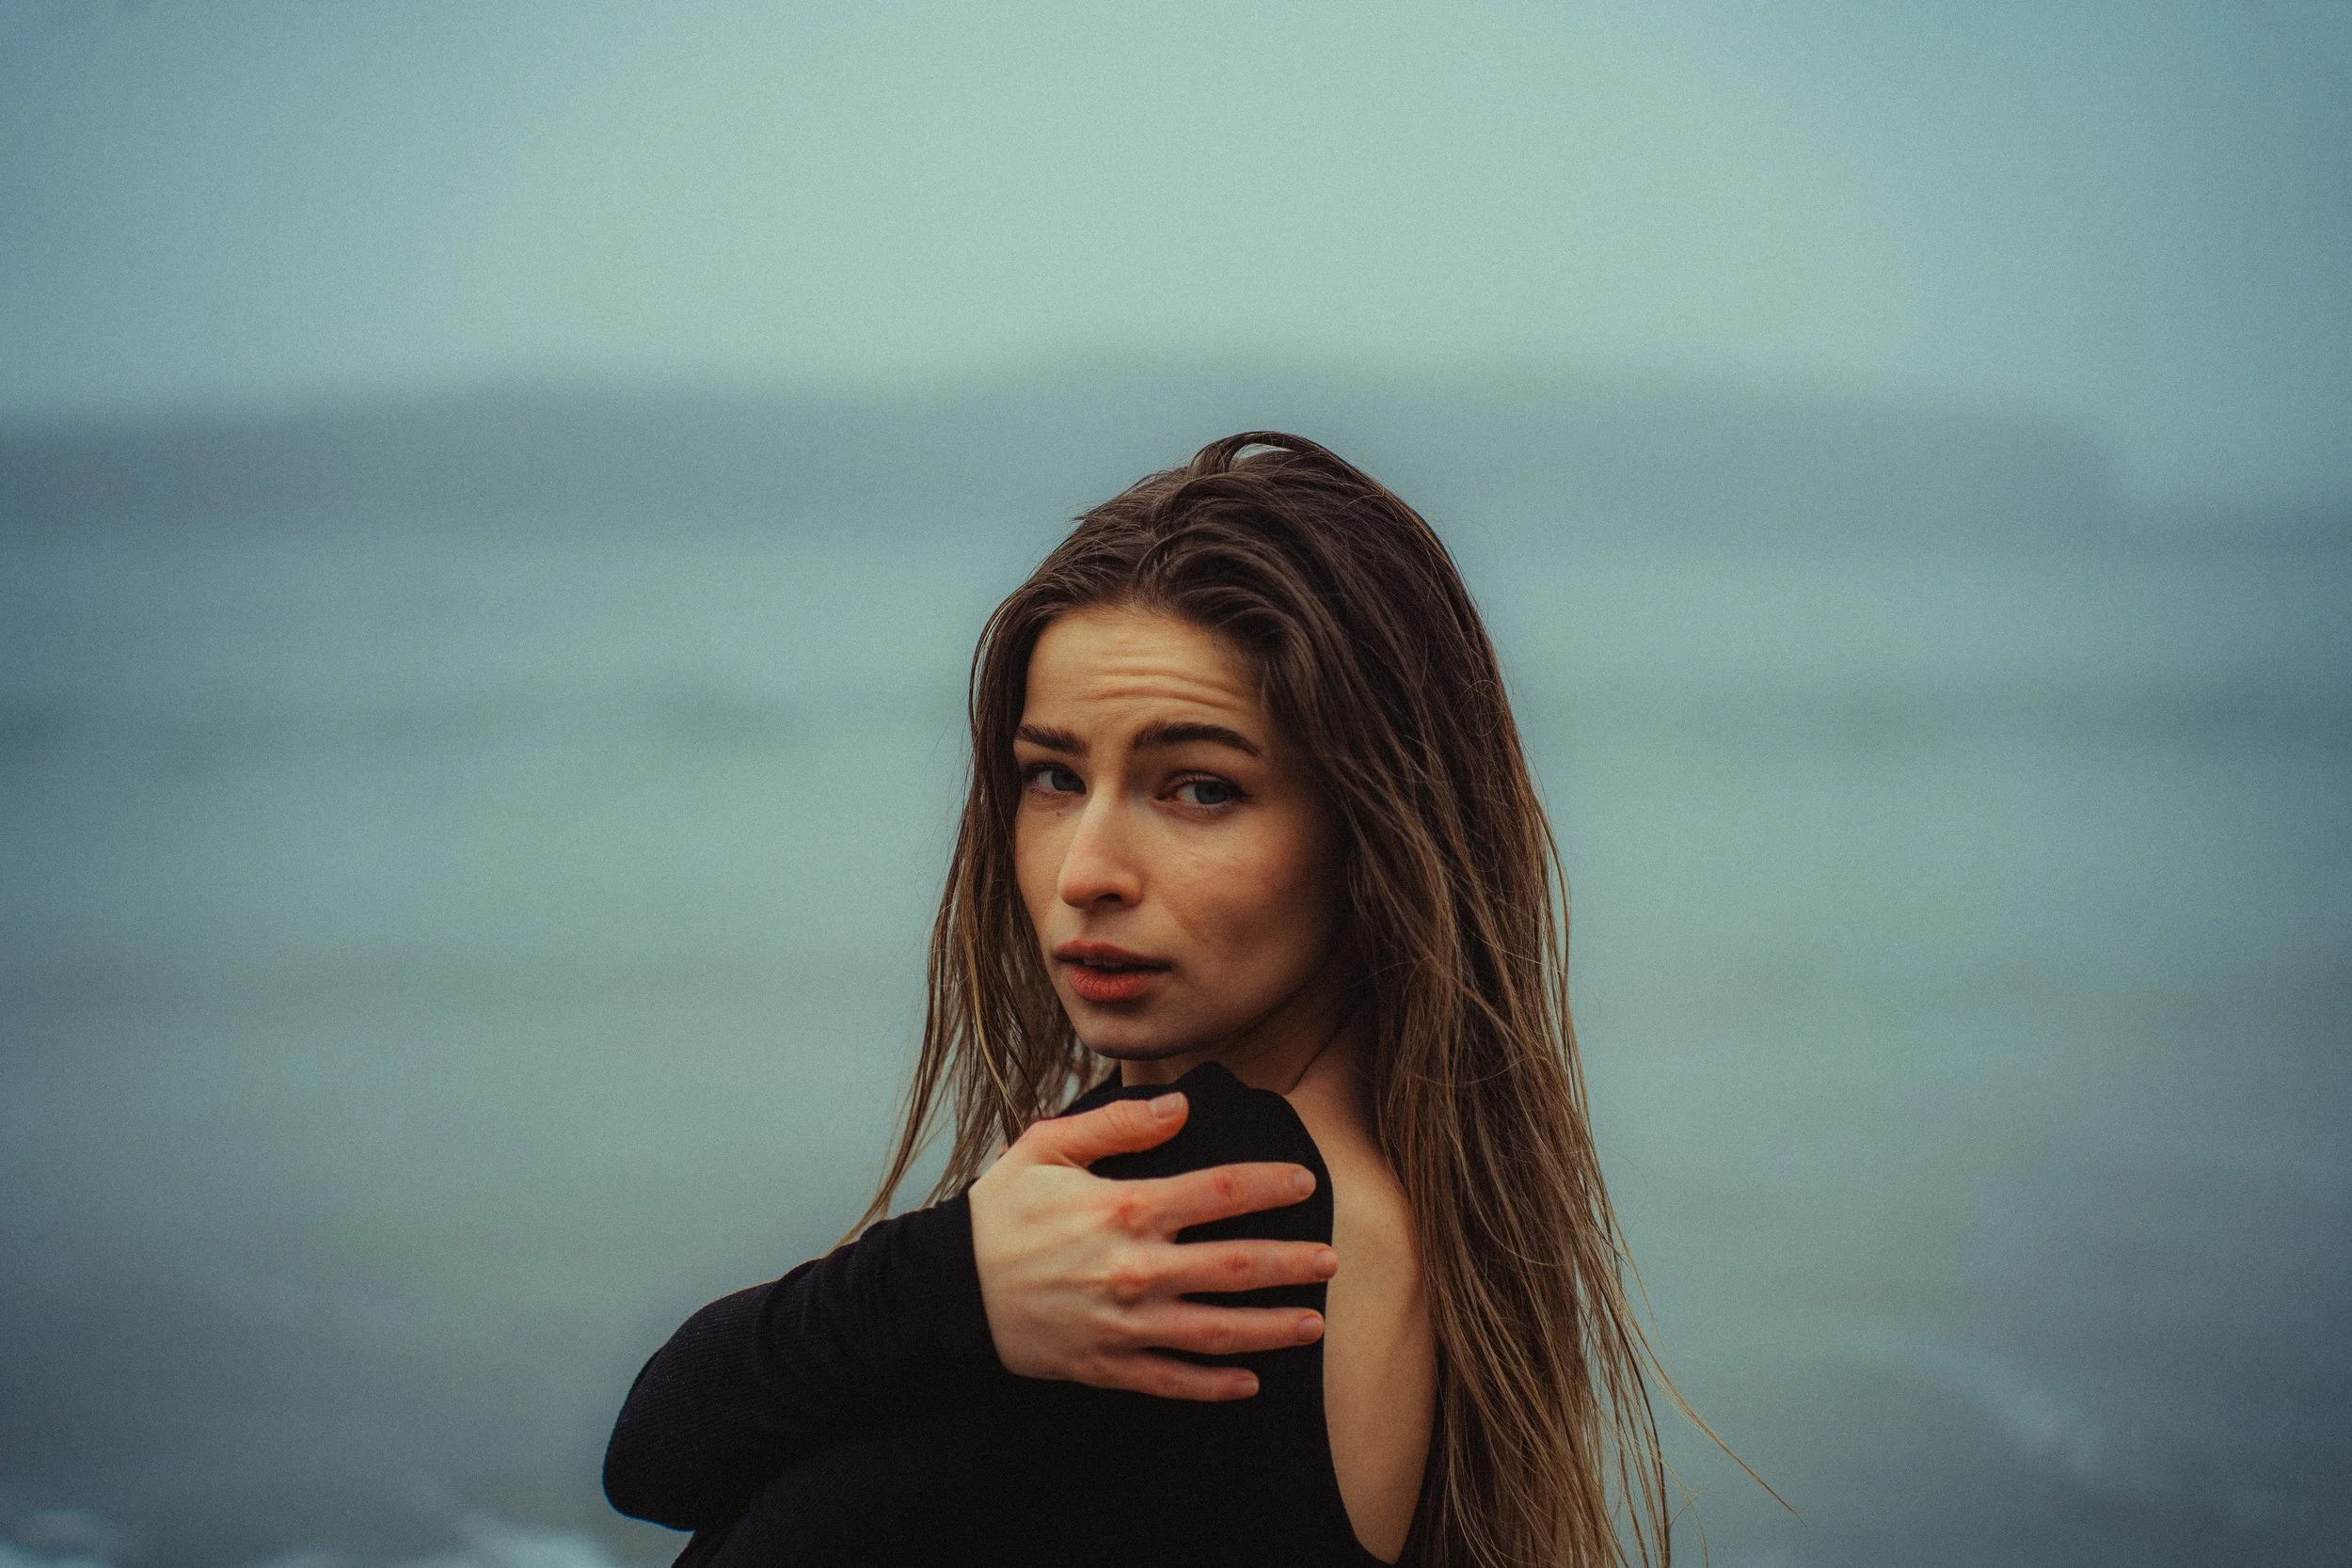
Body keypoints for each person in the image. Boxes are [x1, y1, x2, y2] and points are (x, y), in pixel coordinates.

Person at [602, 433, 1672, 1567]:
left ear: (1376, 834)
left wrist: (943, 1284)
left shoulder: (1207, 1216)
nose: (1087, 871)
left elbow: (659, 1451)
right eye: (1053, 776)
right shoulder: (1387, 1192)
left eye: (1200, 787)